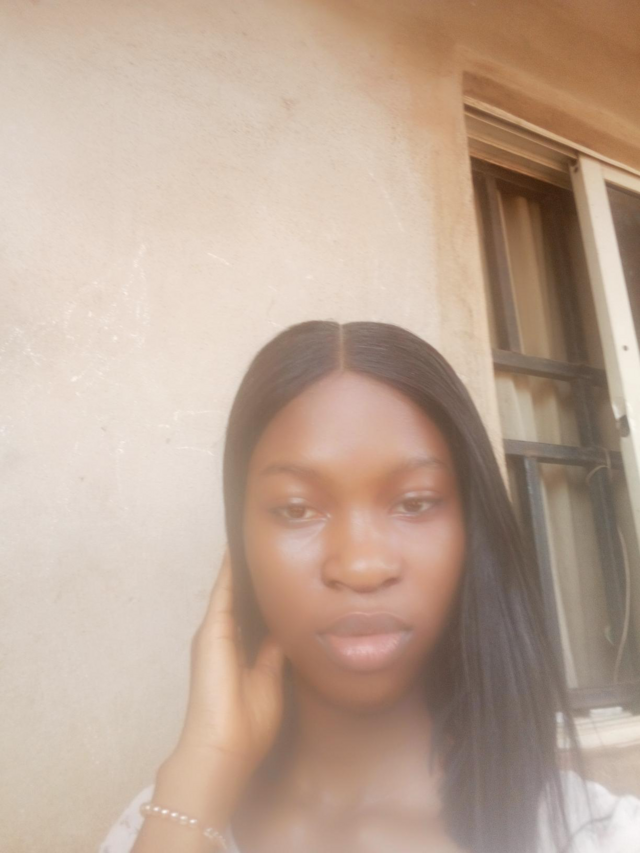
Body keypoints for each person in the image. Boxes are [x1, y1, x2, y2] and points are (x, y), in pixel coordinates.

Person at [99, 320, 640, 853]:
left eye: (414, 503)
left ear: (473, 530)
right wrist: (203, 775)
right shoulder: (164, 822)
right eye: (296, 509)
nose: (360, 566)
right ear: (241, 549)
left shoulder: (600, 836)